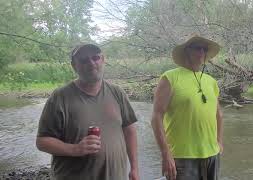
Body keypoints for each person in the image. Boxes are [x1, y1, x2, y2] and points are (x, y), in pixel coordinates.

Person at [36, 44, 139, 180]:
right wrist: (75, 149)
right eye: (84, 60)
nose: (91, 63)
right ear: (74, 65)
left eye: (95, 58)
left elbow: (129, 130)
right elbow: (42, 141)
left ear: (103, 60)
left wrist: (135, 168)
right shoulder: (60, 97)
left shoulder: (117, 92)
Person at [151, 34, 223, 180]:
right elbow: (156, 117)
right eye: (198, 48)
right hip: (182, 156)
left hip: (212, 155)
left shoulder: (211, 81)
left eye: (205, 49)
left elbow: (219, 115)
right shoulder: (170, 77)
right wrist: (166, 153)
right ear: (186, 51)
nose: (202, 52)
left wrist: (219, 142)